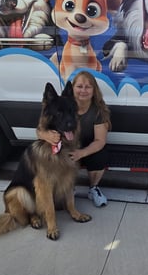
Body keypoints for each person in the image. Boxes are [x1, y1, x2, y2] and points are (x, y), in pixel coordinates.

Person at [37, 71, 111, 206]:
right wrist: (47, 136)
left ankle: (93, 188)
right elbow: (40, 129)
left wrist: (80, 153)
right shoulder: (61, 104)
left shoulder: (98, 111)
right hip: (66, 148)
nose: (83, 90)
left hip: (86, 149)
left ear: (94, 90)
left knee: (101, 155)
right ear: (73, 89)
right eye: (79, 86)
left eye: (88, 87)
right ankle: (66, 188)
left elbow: (100, 141)